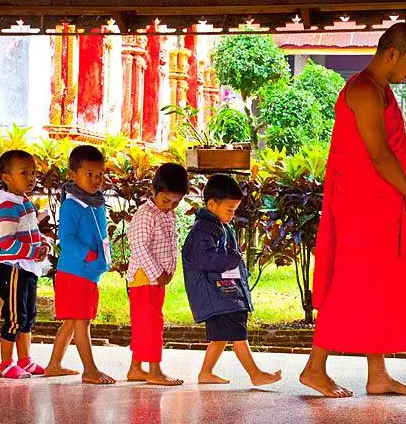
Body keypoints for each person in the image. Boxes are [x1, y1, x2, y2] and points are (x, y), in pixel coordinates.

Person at [300, 22, 406, 397]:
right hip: (362, 206)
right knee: (351, 282)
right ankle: (314, 367)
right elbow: (379, 155)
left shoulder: (381, 90)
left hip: (379, 204)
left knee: (381, 285)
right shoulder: (363, 91)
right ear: (391, 54)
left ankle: (378, 374)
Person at [182, 174, 281, 386]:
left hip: (223, 292)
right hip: (218, 294)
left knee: (220, 336)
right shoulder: (202, 231)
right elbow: (204, 258)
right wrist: (233, 257)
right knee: (237, 331)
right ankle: (255, 373)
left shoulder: (219, 226)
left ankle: (206, 373)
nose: (232, 214)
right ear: (211, 204)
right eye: (230, 209)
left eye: (235, 209)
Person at [44, 145, 115, 384]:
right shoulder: (72, 205)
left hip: (89, 274)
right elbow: (67, 239)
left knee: (73, 322)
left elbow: (101, 235)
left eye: (100, 174)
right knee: (81, 322)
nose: (96, 180)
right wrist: (90, 255)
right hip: (74, 274)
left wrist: (104, 258)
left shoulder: (97, 203)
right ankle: (90, 370)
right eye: (89, 174)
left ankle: (54, 365)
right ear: (73, 175)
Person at [126, 163, 189, 386]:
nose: (170, 206)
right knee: (151, 325)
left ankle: (136, 369)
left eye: (176, 202)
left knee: (145, 323)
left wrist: (169, 271)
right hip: (145, 279)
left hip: (155, 281)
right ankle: (154, 370)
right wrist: (158, 273)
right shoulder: (145, 215)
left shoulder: (167, 214)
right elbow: (139, 246)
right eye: (166, 201)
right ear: (153, 191)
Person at [0, 150, 50, 379]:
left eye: (33, 173)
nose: (31, 178)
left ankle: (25, 360)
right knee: (14, 317)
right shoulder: (8, 206)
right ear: (6, 177)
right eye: (24, 173)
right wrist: (33, 251)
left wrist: (43, 243)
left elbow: (31, 231)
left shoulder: (25, 202)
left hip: (27, 268)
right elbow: (6, 242)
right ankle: (6, 363)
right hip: (15, 269)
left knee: (28, 316)